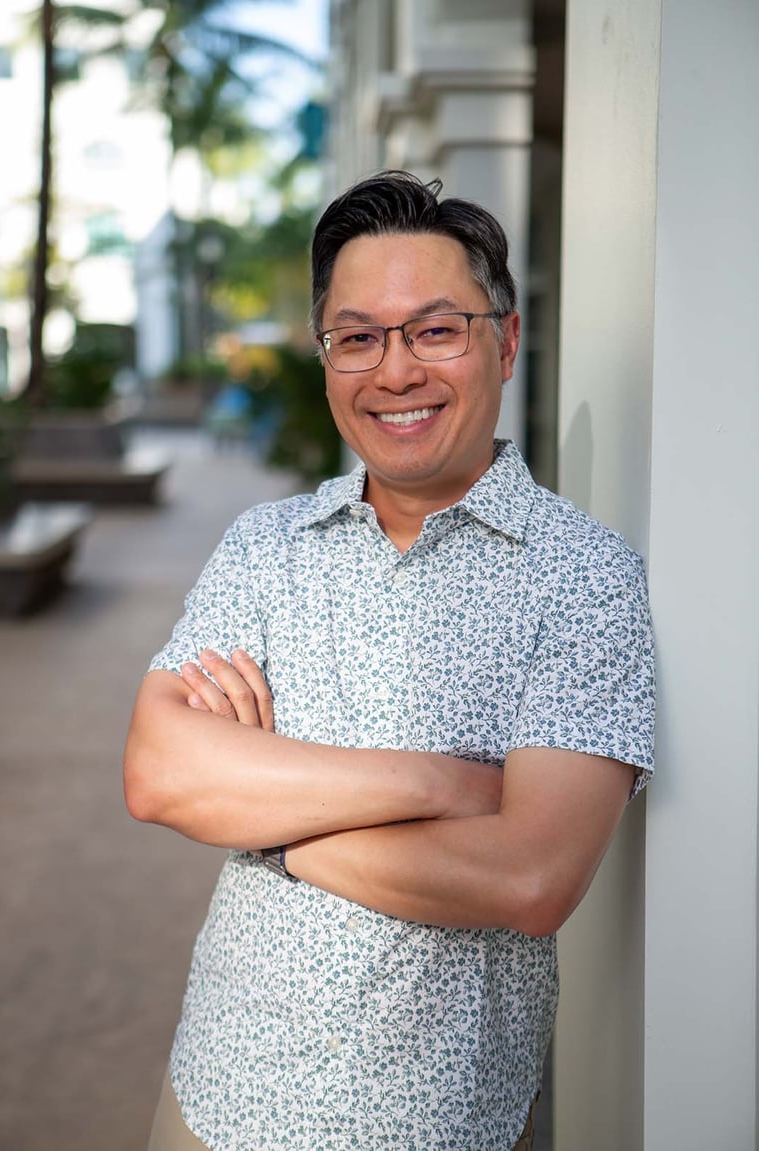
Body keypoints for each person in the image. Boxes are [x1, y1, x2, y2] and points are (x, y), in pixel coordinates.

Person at [124, 170, 655, 1151]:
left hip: (445, 1121)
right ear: (327, 357)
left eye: (436, 330)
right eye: (358, 337)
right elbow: (158, 773)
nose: (395, 371)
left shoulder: (586, 575)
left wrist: (273, 828)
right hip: (219, 1091)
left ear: (506, 340)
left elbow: (532, 876)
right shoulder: (264, 546)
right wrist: (445, 784)